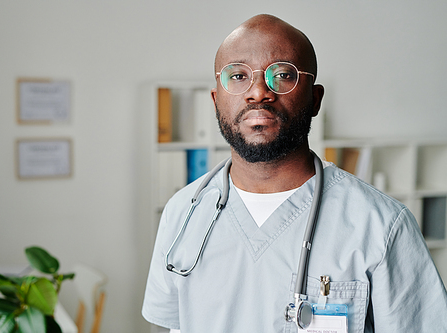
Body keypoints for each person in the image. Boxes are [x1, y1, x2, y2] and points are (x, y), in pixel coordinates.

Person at [142, 14, 447, 332]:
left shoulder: (381, 225)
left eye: (283, 74)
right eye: (237, 76)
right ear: (217, 101)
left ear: (315, 99)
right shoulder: (183, 213)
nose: (258, 92)